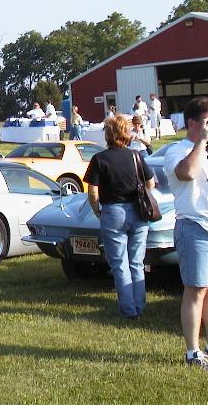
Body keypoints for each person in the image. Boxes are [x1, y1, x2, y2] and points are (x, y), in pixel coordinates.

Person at [164, 97, 208, 370]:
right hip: (195, 227)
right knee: (196, 291)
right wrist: (202, 141)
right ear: (192, 123)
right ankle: (193, 352)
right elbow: (187, 173)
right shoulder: (176, 151)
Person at [83, 115, 155, 319]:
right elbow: (150, 183)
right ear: (127, 134)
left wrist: (97, 211)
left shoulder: (99, 159)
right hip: (138, 211)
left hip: (113, 211)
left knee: (119, 264)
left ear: (107, 134)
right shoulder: (136, 156)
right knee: (137, 262)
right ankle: (139, 307)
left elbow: (92, 192)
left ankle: (129, 310)